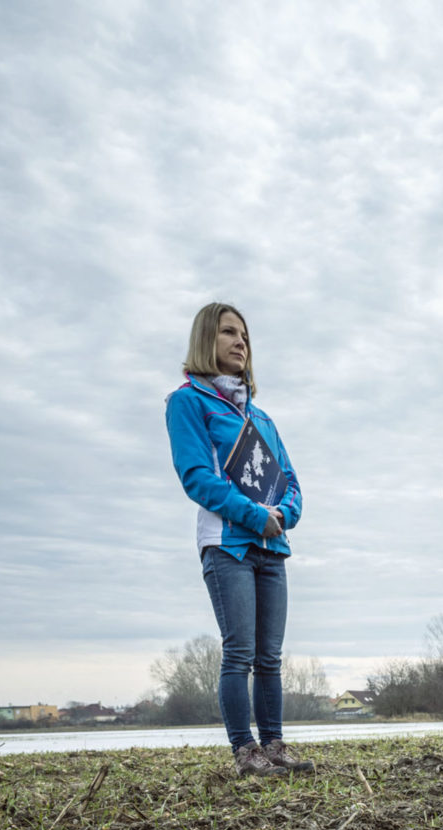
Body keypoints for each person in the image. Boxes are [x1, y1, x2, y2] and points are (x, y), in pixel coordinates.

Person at [165, 302, 313, 779]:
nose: (240, 343)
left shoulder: (263, 418)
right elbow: (197, 478)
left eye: (245, 336)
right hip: (227, 545)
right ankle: (245, 750)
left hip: (271, 547)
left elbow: (290, 481)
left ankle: (274, 745)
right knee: (240, 653)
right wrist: (254, 515)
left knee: (270, 657)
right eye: (229, 333)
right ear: (206, 340)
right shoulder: (187, 401)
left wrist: (284, 514)